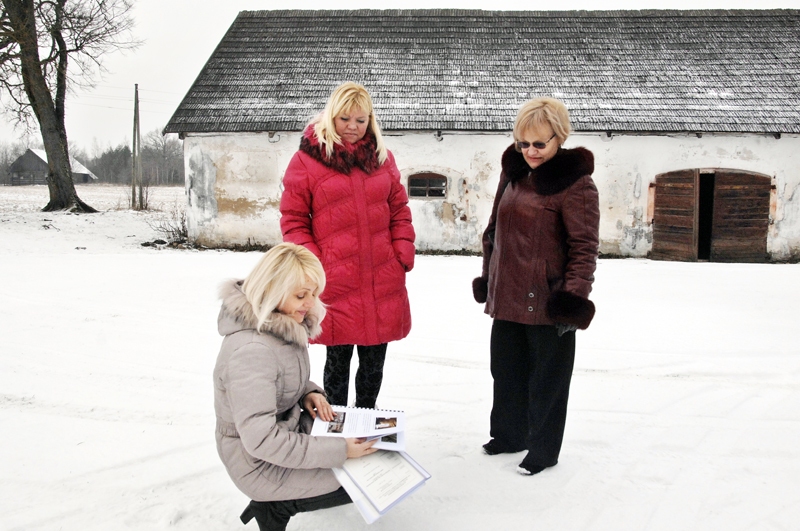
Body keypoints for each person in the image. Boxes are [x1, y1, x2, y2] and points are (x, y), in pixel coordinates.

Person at [472, 97, 600, 476]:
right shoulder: (512, 173)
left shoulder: (576, 185)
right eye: (523, 143)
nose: (530, 151)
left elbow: (584, 248)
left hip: (548, 301)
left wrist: (573, 299)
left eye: (539, 144)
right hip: (507, 293)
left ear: (559, 139)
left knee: (547, 381)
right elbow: (493, 231)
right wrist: (488, 278)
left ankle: (542, 450)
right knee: (506, 371)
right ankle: (510, 435)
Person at [213, 242, 377, 530]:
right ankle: (274, 507)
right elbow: (262, 440)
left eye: (314, 294)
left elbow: (279, 379)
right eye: (301, 295)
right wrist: (339, 451)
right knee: (364, 476)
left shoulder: (280, 323)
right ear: (271, 292)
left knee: (374, 451)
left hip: (286, 432)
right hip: (257, 462)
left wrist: (308, 392)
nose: (311, 303)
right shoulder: (252, 351)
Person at [280, 82, 415, 409]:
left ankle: (366, 420)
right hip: (333, 279)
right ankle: (335, 423)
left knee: (374, 362)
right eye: (344, 119)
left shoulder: (383, 158)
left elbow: (399, 209)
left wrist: (401, 253)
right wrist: (316, 265)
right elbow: (293, 219)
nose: (352, 127)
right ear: (330, 117)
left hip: (382, 277)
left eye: (360, 120)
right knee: (337, 360)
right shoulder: (307, 161)